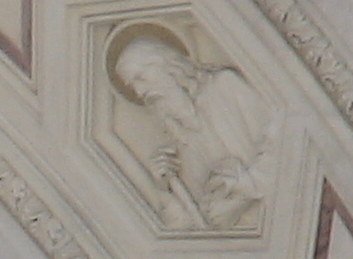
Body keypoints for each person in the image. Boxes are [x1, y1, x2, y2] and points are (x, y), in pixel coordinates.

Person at [111, 33, 272, 230]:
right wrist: (165, 189)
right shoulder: (178, 140)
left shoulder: (226, 85)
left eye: (140, 78)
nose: (140, 92)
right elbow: (186, 225)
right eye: (133, 86)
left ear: (166, 65)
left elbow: (283, 147)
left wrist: (242, 192)